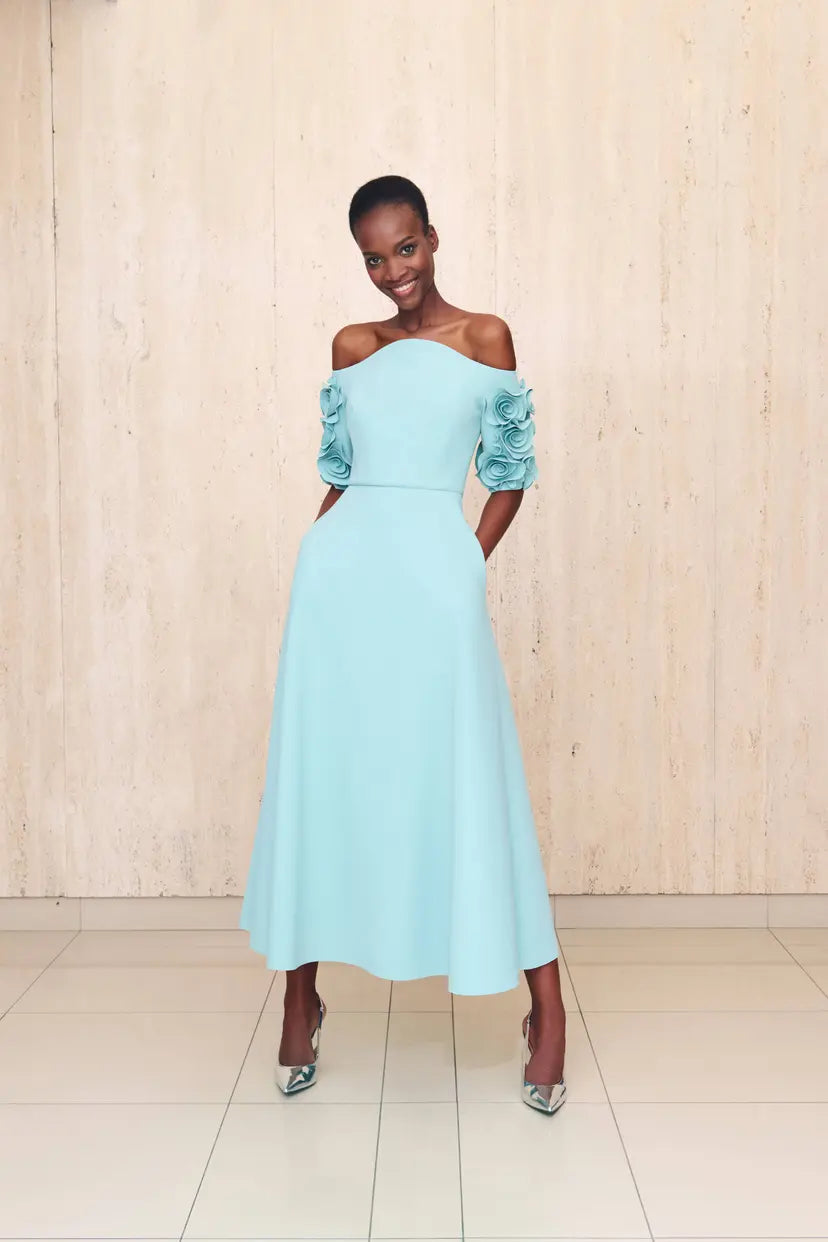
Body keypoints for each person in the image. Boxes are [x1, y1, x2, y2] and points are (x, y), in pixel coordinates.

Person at [240, 174, 567, 1113]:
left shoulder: (486, 337)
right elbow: (343, 478)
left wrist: (467, 562)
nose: (394, 272)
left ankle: (545, 1011)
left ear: (433, 237)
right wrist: (313, 564)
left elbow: (509, 473)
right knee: (325, 776)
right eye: (375, 259)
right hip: (339, 585)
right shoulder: (352, 347)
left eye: (406, 248)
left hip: (436, 575)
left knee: (473, 773)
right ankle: (299, 999)